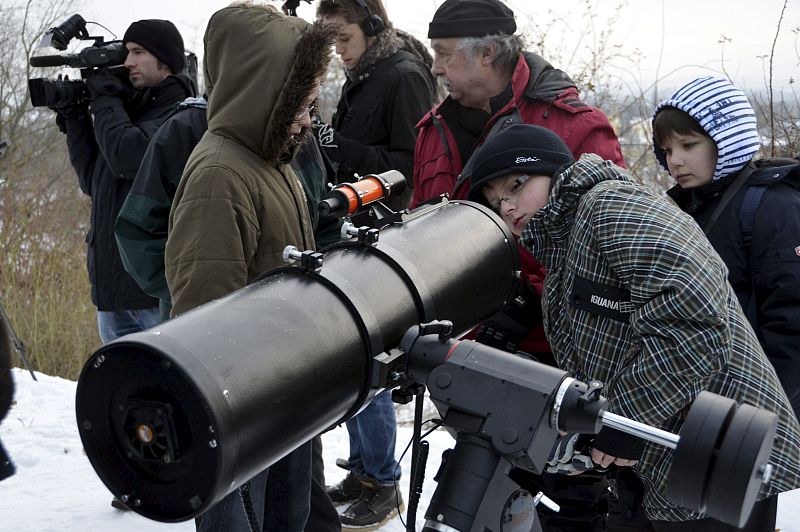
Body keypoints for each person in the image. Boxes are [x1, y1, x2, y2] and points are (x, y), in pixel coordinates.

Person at [466, 123, 800, 531]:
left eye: (517, 185)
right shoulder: (563, 254)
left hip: (721, 444)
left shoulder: (610, 207)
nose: (509, 207)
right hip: (661, 455)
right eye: (497, 201)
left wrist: (627, 419)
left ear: (555, 171)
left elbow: (694, 321)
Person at [411, 0, 626, 528]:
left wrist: (524, 300)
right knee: (478, 504)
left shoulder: (576, 127)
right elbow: (421, 228)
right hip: (466, 355)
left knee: (564, 508)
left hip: (555, 363)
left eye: (443, 55)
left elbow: (609, 250)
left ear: (487, 53)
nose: (434, 68)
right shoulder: (430, 131)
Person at [164, 5, 336, 531]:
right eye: (301, 106)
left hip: (282, 395)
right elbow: (203, 321)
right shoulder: (221, 175)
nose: (309, 120)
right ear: (263, 93)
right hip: (242, 412)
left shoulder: (270, 160)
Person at [313, 1, 438, 528]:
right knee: (352, 355)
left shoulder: (404, 75)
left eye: (342, 37)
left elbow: (411, 164)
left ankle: (383, 481)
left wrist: (337, 144)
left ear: (370, 25)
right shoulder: (364, 75)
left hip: (384, 233)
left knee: (371, 358)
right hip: (356, 228)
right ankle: (365, 468)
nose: (337, 50)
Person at [652, 76, 800, 419]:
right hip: (706, 405)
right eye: (668, 150)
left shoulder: (773, 207)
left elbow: (790, 323)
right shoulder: (682, 207)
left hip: (756, 410)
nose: (675, 161)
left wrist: (769, 419)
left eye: (688, 146)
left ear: (727, 140)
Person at [54, 19, 194, 345]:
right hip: (113, 292)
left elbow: (126, 158)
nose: (128, 62)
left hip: (154, 293)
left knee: (166, 391)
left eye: (138, 52)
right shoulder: (129, 111)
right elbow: (95, 181)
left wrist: (104, 100)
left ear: (166, 60)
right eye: (127, 52)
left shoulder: (180, 116)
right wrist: (75, 118)